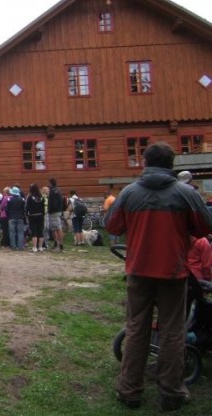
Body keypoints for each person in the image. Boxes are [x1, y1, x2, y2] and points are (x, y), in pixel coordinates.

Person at [106, 142, 212, 411]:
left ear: (145, 162)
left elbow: (112, 225)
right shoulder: (186, 193)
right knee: (172, 331)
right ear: (171, 163)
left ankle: (130, 390)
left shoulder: (129, 192)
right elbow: (205, 227)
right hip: (173, 271)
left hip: (139, 269)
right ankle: (172, 392)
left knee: (136, 327)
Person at [25, 184, 45, 252]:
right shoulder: (41, 197)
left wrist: (26, 214)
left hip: (32, 216)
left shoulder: (30, 197)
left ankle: (34, 247)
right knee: (40, 231)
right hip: (41, 215)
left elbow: (27, 207)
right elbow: (43, 207)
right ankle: (40, 247)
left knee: (34, 232)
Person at [47, 178, 65, 252]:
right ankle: (59, 245)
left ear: (50, 183)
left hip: (53, 212)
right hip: (59, 211)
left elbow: (52, 202)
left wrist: (50, 210)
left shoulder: (52, 191)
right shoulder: (59, 190)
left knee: (55, 229)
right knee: (58, 227)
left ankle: (58, 246)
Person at [6, 186, 25, 250]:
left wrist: (8, 216)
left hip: (11, 217)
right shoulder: (22, 200)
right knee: (20, 232)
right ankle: (20, 246)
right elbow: (23, 209)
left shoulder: (9, 200)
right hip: (20, 217)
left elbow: (7, 210)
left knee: (12, 232)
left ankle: (13, 246)